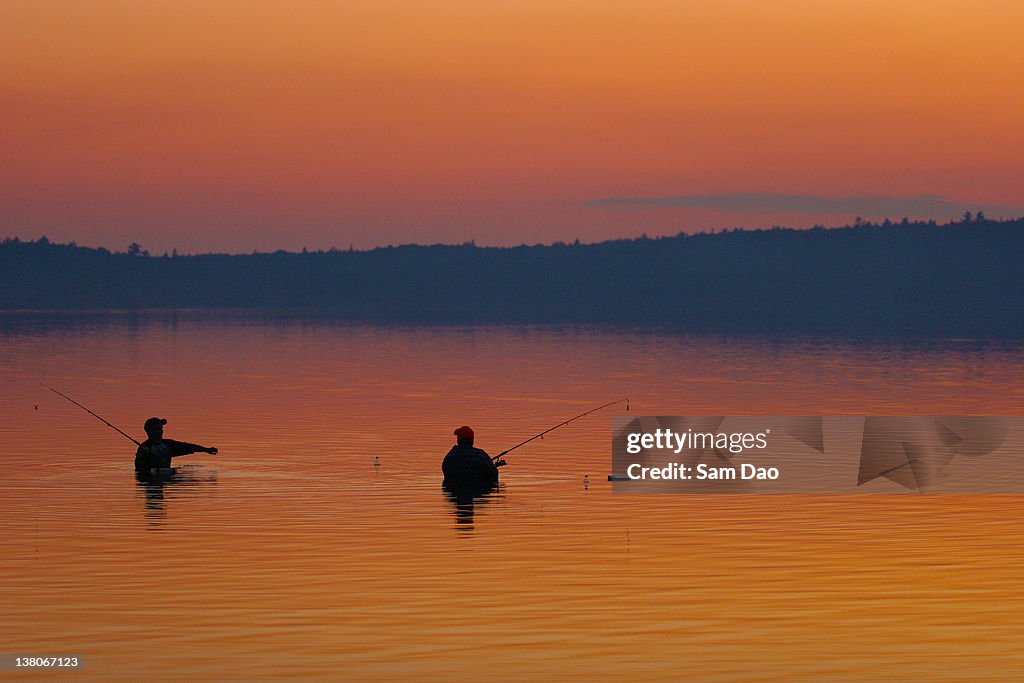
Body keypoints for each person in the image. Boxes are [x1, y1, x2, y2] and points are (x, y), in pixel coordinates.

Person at [134, 417, 217, 472]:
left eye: (161, 428)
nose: (161, 431)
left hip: (167, 477)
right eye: (157, 429)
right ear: (149, 431)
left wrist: (206, 450)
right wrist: (145, 456)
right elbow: (138, 467)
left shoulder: (168, 444)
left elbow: (188, 447)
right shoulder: (144, 448)